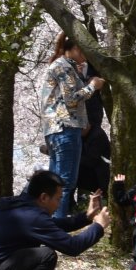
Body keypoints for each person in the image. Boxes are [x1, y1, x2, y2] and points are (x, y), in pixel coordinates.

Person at [40, 34, 106, 223]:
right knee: (65, 183)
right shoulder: (64, 66)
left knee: (53, 181)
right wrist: (92, 86)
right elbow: (71, 99)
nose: (87, 56)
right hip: (66, 128)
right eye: (85, 50)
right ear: (75, 47)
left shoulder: (62, 66)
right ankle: (57, 227)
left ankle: (45, 224)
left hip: (55, 129)